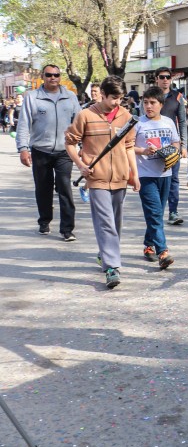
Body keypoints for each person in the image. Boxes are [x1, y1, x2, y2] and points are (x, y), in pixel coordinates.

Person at [64, 75, 139, 288]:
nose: (117, 102)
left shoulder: (125, 115)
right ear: (102, 95)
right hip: (96, 178)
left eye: (121, 98)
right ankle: (112, 268)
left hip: (120, 177)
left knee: (116, 222)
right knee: (105, 222)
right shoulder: (85, 115)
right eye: (113, 98)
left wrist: (135, 174)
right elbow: (70, 143)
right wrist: (80, 165)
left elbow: (129, 146)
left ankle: (104, 253)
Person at [16, 65, 81, 240]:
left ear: (60, 77)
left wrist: (81, 146)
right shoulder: (33, 97)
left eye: (56, 75)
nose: (53, 77)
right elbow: (23, 124)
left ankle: (67, 229)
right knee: (43, 189)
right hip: (40, 151)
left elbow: (80, 123)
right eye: (49, 75)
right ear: (43, 76)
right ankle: (44, 221)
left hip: (64, 151)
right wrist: (23, 149)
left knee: (65, 187)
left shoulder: (70, 97)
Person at [133, 87, 179, 270]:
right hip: (145, 175)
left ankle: (148, 244)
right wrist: (143, 151)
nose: (148, 106)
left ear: (161, 104)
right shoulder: (137, 123)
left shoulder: (168, 122)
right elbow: (126, 146)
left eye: (152, 103)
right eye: (145, 102)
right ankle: (163, 252)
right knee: (154, 213)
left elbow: (176, 142)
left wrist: (172, 152)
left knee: (157, 214)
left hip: (165, 174)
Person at [154, 67, 188, 226]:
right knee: (156, 179)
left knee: (173, 179)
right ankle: (157, 211)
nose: (165, 79)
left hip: (172, 144)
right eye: (162, 77)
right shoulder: (151, 96)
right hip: (154, 144)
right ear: (156, 79)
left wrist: (183, 145)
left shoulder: (178, 97)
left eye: (168, 77)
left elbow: (182, 122)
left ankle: (173, 212)